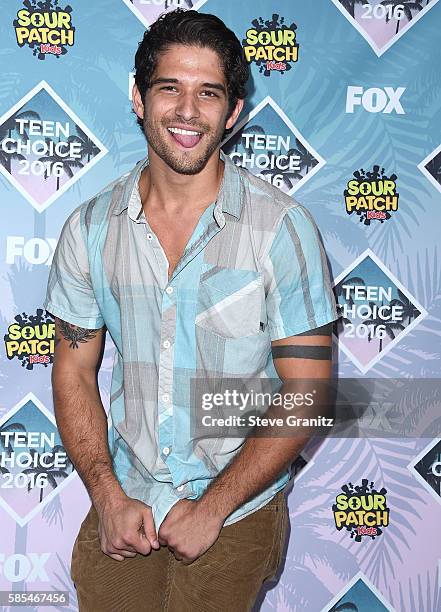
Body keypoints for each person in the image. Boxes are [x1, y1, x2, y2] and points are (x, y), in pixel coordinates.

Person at [44, 8, 338, 612]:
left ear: (232, 113)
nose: (186, 111)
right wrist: (106, 495)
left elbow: (308, 391)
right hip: (126, 500)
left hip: (235, 505)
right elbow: (73, 371)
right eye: (169, 88)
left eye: (208, 94)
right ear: (138, 96)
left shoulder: (281, 229)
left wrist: (212, 508)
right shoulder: (91, 229)